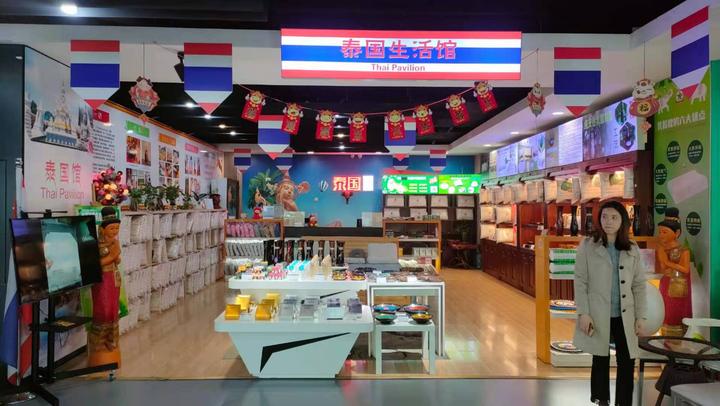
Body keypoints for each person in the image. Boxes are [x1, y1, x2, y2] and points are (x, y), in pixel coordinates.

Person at [573, 201, 647, 406]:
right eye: (604, 217)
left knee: (627, 360)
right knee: (600, 357)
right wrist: (583, 313)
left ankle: (623, 402)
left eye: (614, 217)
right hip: (598, 313)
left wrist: (641, 317)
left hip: (626, 314)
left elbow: (639, 285)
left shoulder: (632, 248)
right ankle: (602, 400)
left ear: (623, 220)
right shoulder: (588, 245)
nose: (608, 222)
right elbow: (580, 281)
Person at [655, 207, 692, 336]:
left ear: (676, 233)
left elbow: (685, 269)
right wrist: (665, 262)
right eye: (660, 232)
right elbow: (664, 269)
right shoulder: (662, 249)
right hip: (666, 284)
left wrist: (668, 263)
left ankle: (678, 340)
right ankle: (666, 341)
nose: (661, 235)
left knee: (677, 313)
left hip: (680, 286)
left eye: (664, 232)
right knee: (666, 313)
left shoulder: (684, 251)